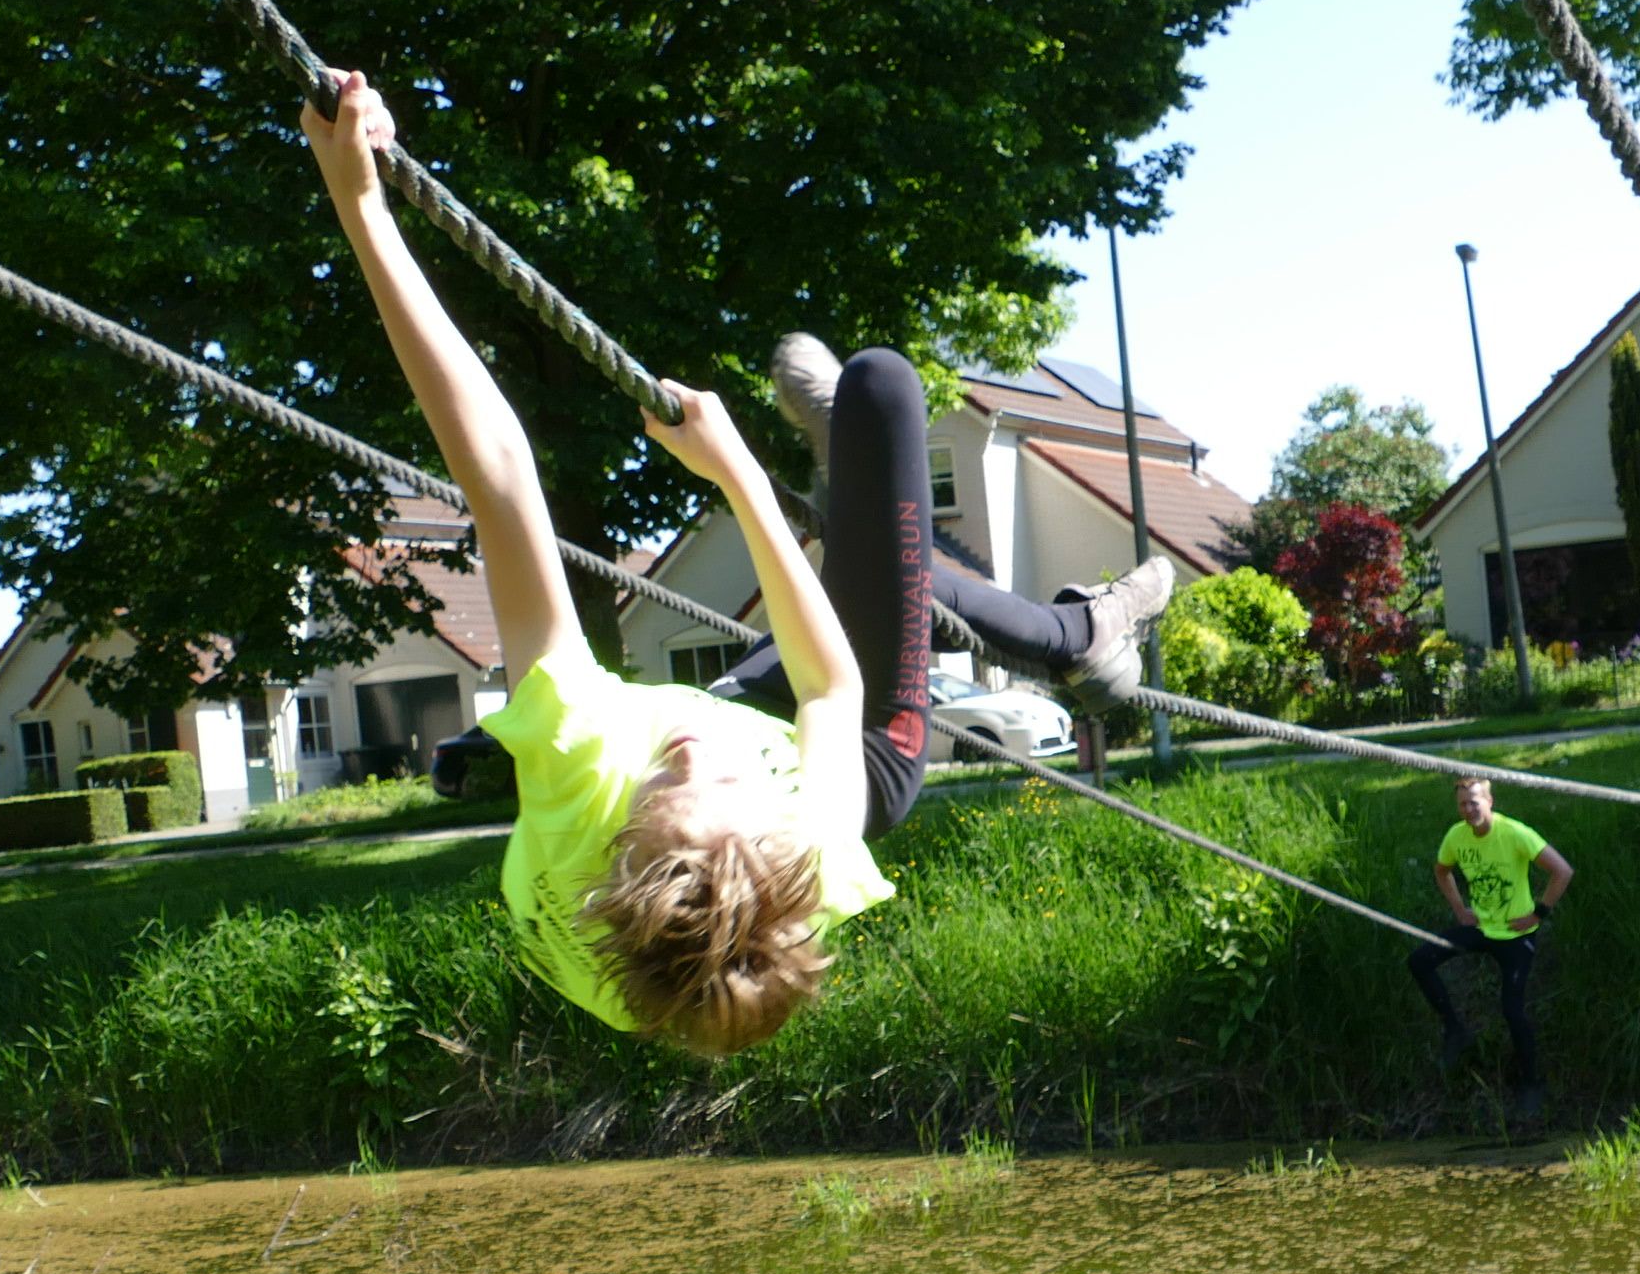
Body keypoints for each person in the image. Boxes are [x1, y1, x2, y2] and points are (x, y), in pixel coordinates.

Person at [308, 73, 1169, 1052]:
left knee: (873, 561)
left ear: (619, 846)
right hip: (865, 756)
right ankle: (1067, 625)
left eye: (672, 780)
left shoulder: (577, 763)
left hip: (691, 790)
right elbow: (829, 688)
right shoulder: (809, 837)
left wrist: (359, 203)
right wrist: (743, 480)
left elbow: (501, 473)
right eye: (720, 782)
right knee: (884, 389)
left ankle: (1040, 615)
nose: (697, 756)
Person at [1413, 776, 1571, 1118]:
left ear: (1490, 801)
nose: (1469, 810)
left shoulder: (1514, 833)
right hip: (1482, 927)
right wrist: (1459, 909)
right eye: (1462, 804)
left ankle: (1532, 1084)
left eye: (1474, 802)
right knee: (1419, 960)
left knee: (1512, 1010)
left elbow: (1562, 871)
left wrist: (1538, 914)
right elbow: (1442, 871)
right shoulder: (1456, 836)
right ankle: (1456, 1030)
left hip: (1516, 936)